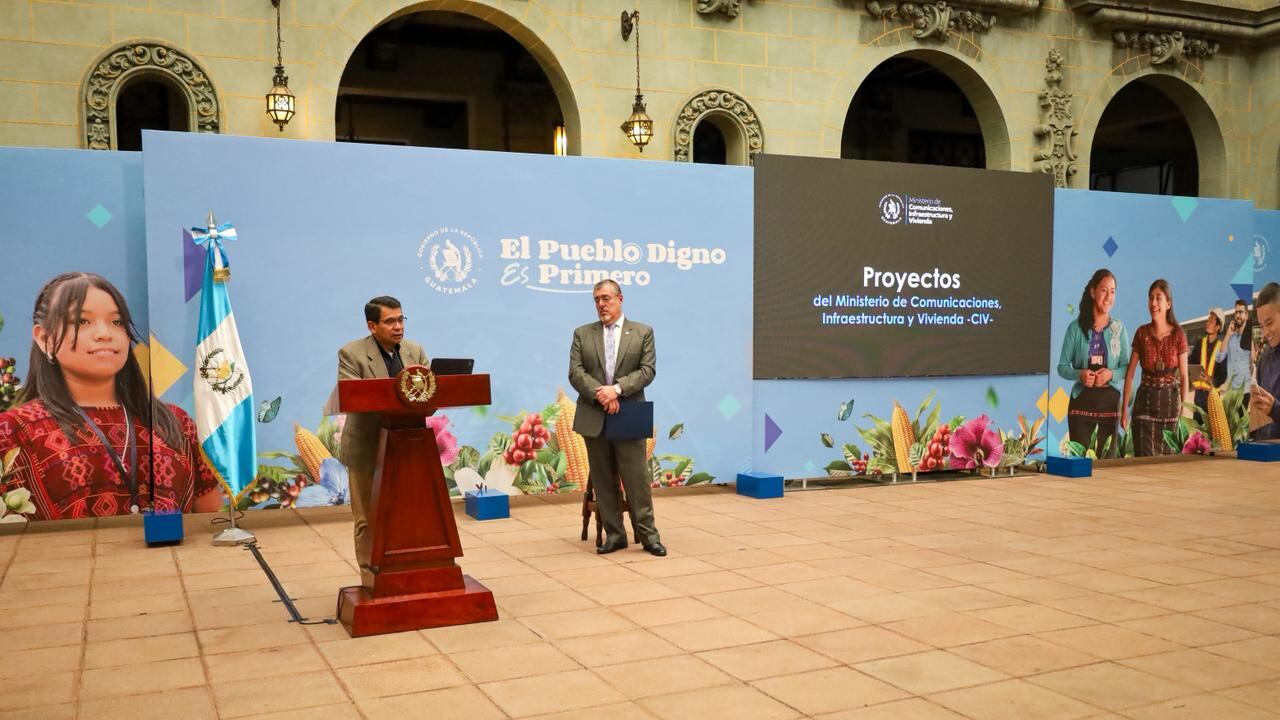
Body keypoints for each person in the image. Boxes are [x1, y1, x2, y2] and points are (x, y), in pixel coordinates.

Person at [0, 272, 221, 520]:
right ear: (44, 338)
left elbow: (211, 521)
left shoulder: (176, 423)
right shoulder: (12, 431)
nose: (104, 333)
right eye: (82, 322)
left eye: (117, 322)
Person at [568, 279, 665, 557]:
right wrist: (601, 394)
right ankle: (615, 535)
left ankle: (648, 537)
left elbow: (647, 370)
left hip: (629, 412)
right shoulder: (582, 334)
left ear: (620, 298)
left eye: (606, 298)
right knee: (603, 479)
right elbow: (575, 372)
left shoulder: (643, 332)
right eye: (597, 299)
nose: (601, 304)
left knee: (636, 479)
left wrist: (617, 390)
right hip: (594, 413)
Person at [337, 296, 428, 569]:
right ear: (372, 326)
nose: (398, 326)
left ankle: (408, 567)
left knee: (408, 513)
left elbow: (429, 391)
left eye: (401, 319)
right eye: (390, 321)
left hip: (406, 443)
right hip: (367, 445)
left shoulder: (415, 351)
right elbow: (353, 396)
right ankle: (369, 573)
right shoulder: (351, 354)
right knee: (367, 518)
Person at [1057, 269, 1128, 456]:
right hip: (1081, 405)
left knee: (1106, 466)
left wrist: (1111, 374)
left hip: (1110, 405)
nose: (1109, 296)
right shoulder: (1075, 328)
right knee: (1080, 465)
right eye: (1104, 290)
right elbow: (1062, 367)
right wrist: (1079, 375)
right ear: (1092, 291)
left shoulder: (1119, 329)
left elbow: (1126, 367)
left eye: (1113, 291)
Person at [1122, 279, 1190, 456]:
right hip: (1144, 410)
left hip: (1171, 411)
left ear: (1168, 304)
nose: (1153, 303)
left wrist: (1184, 411)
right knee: (1143, 466)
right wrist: (1124, 412)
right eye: (1150, 298)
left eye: (1158, 298)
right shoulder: (1141, 333)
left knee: (1168, 468)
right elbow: (1130, 374)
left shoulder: (1178, 335)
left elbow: (1184, 376)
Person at [1250, 283, 1280, 441]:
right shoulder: (1265, 356)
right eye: (1261, 326)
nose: (1265, 332)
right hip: (1265, 454)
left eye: (1269, 323)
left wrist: (1275, 409)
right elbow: (1259, 417)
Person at [1188, 309, 1227, 416]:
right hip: (1199, 397)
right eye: (1208, 320)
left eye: (1211, 321)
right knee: (1198, 431)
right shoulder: (1200, 343)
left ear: (1218, 327)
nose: (1207, 323)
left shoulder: (1222, 348)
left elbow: (1223, 376)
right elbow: (1191, 362)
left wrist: (1210, 380)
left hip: (1213, 398)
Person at [1222, 299, 1254, 406]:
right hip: (1231, 390)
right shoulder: (1231, 337)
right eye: (1236, 312)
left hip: (1244, 391)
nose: (1237, 315)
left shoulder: (1249, 337)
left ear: (1246, 315)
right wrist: (1227, 335)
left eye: (1240, 312)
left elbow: (1252, 363)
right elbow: (1220, 357)